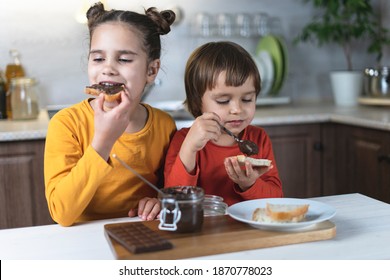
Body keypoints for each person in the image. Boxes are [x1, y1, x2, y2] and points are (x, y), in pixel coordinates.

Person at [44, 2, 176, 226]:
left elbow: (168, 190)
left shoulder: (164, 125)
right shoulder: (66, 124)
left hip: (142, 233)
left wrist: (159, 200)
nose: (108, 68)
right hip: (83, 240)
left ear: (151, 70)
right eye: (98, 58)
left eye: (124, 59)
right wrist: (103, 142)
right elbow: (61, 213)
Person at [164, 41, 283, 206]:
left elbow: (276, 200)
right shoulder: (184, 140)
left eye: (247, 99)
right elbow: (173, 203)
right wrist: (189, 149)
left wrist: (250, 183)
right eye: (223, 100)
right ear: (198, 101)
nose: (237, 109)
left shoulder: (259, 138)